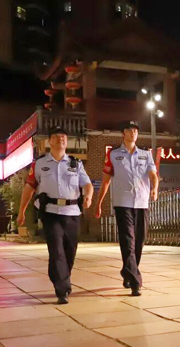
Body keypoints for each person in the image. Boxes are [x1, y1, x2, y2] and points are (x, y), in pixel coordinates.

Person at [17, 126, 93, 304]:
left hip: (72, 213)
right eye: (57, 136)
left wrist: (88, 196)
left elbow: (87, 184)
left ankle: (63, 278)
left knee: (69, 252)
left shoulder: (75, 163)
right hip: (50, 213)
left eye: (64, 136)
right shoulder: (40, 164)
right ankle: (61, 289)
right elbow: (29, 187)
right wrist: (21, 211)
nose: (61, 139)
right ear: (49, 141)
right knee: (56, 250)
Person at [94, 121, 158, 296]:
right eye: (129, 130)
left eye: (135, 130)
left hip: (142, 203)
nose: (133, 133)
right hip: (123, 203)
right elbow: (106, 181)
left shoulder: (145, 154)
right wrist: (98, 203)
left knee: (139, 241)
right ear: (123, 133)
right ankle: (136, 282)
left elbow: (153, 174)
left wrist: (154, 188)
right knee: (128, 241)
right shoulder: (113, 154)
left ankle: (127, 271)